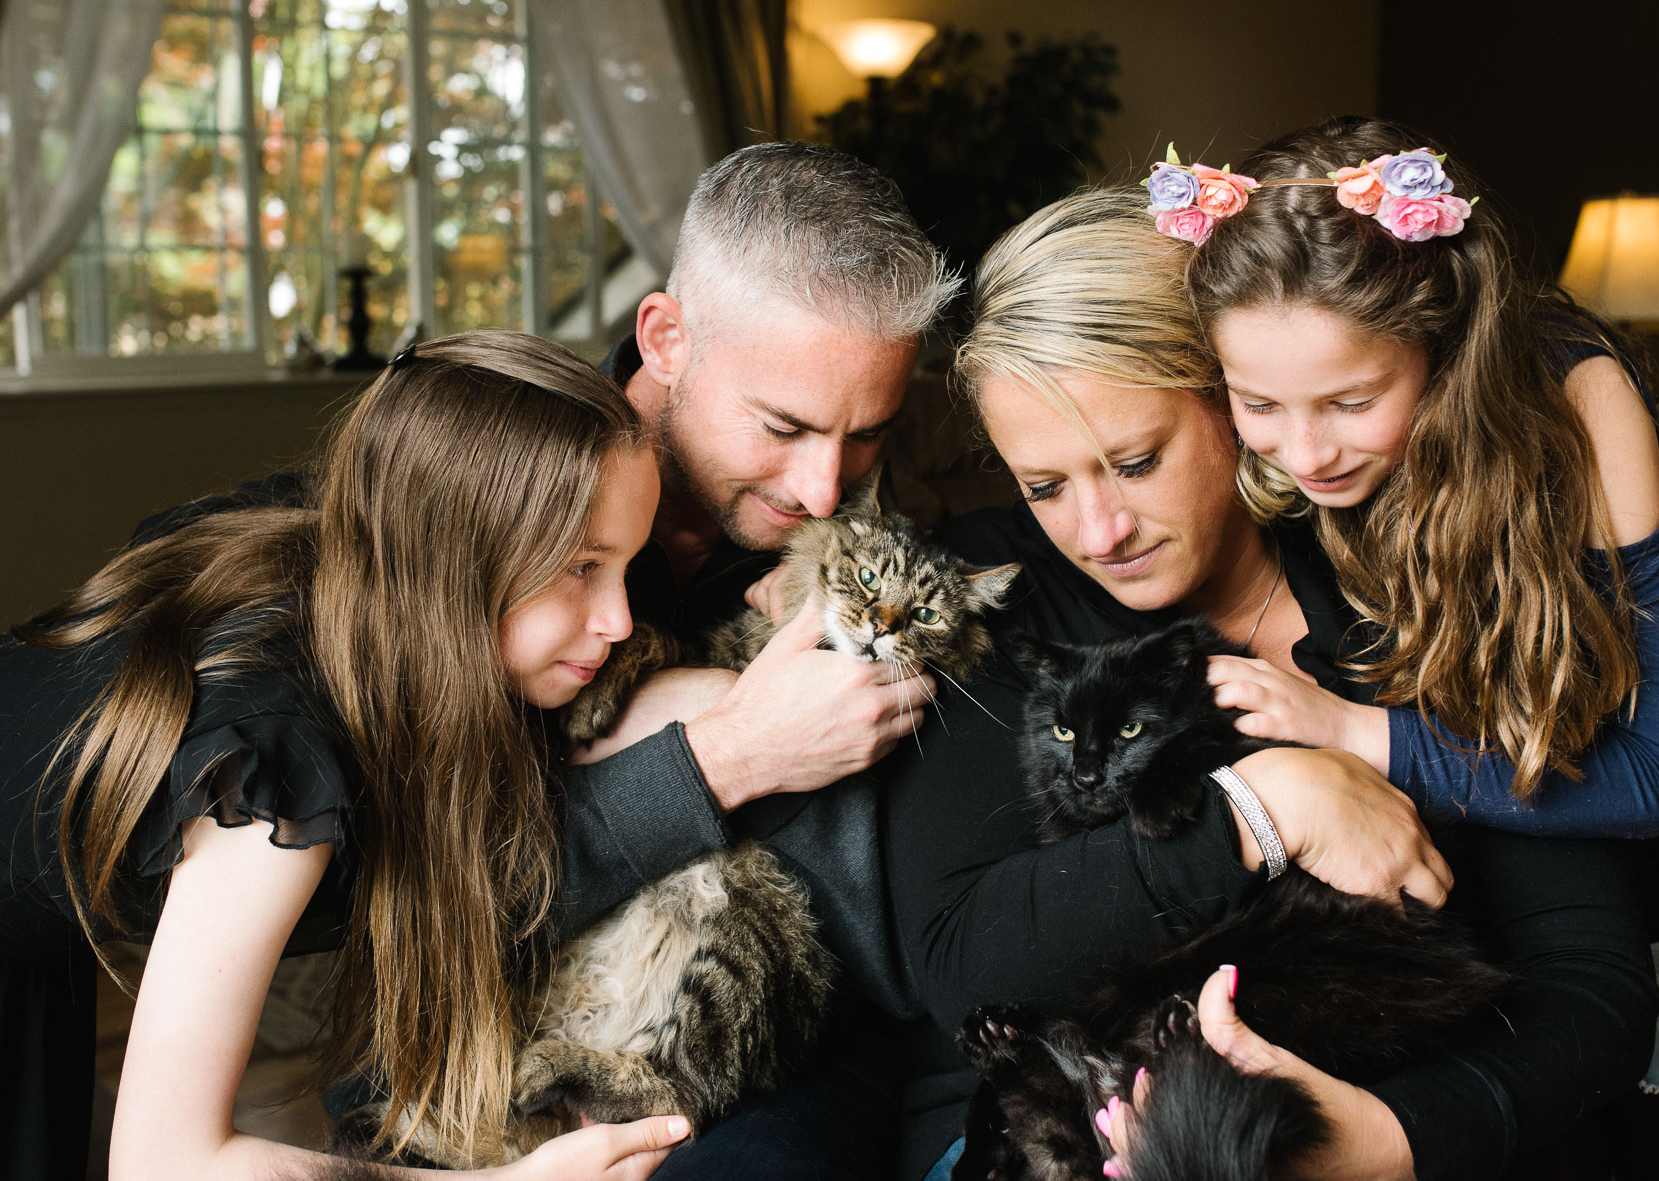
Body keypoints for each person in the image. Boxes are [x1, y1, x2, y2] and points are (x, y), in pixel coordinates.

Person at [879, 182, 1659, 1181]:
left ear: (1234, 399)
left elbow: (1592, 982)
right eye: (1045, 485)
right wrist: (1260, 805)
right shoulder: (995, 605)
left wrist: (1384, 1137)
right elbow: (959, 960)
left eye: (1135, 460)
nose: (1097, 530)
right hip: (1049, 1127)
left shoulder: (1421, 585)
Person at [1170, 116, 1659, 1177]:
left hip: (1651, 862)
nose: (1304, 449)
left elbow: (1648, 780)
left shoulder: (1578, 395)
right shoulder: (1300, 450)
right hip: (1493, 855)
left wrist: (1347, 731)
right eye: (1258, 403)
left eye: (1351, 401)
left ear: (1440, 334)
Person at [0, 332, 694, 1179]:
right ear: (451, 555)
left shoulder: (372, 544)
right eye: (583, 567)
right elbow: (164, 1162)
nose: (619, 620)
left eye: (625, 563)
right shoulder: (271, 765)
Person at [549, 140, 958, 1178]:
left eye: (866, 434)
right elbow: (441, 873)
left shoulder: (855, 536)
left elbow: (889, 930)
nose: (825, 487)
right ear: (667, 336)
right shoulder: (506, 497)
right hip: (509, 998)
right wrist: (726, 743)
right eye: (783, 426)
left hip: (790, 1034)